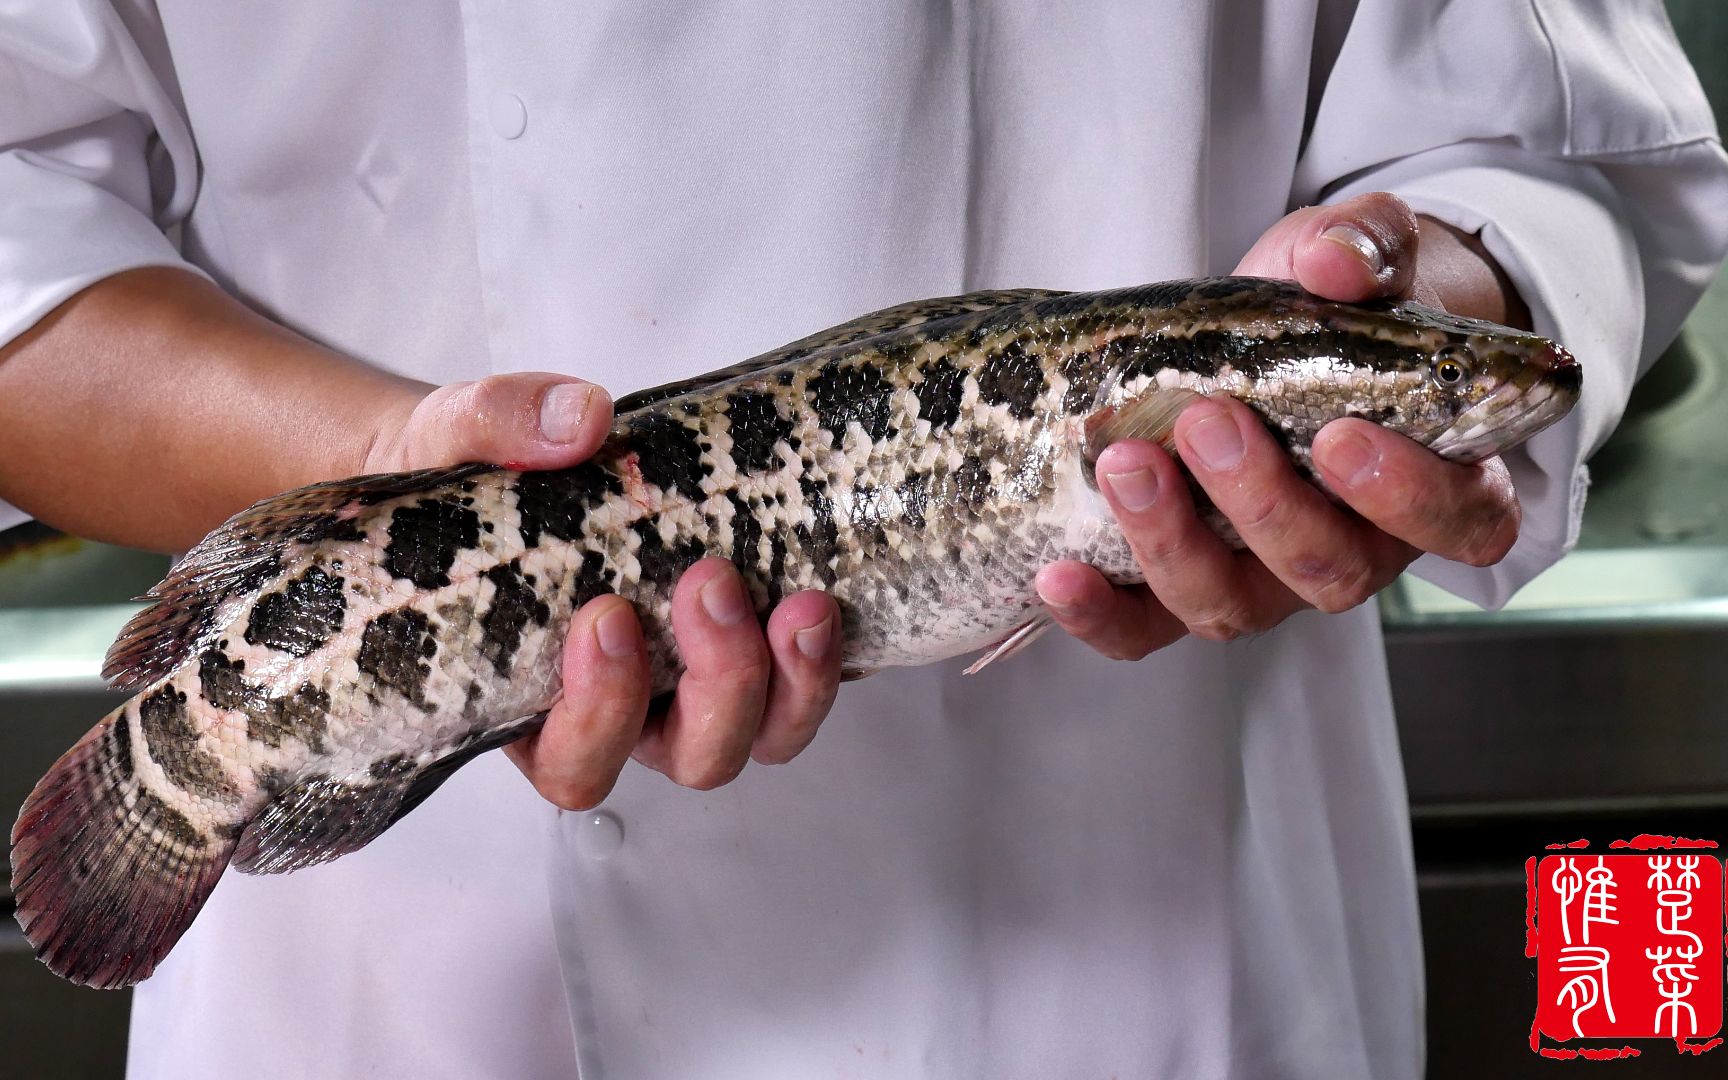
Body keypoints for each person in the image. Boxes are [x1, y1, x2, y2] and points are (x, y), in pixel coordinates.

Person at [2, 3, 1724, 1077]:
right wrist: (380, 468)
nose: (1455, 390)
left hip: (1147, 929)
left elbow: (1555, 150)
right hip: (421, 972)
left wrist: (1434, 281)